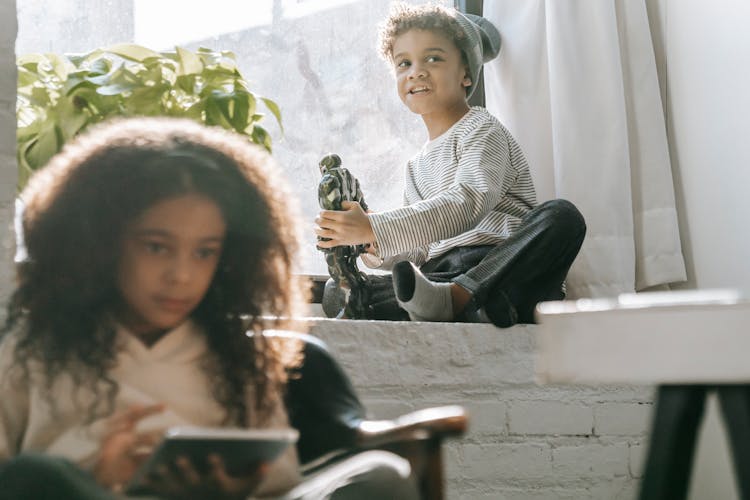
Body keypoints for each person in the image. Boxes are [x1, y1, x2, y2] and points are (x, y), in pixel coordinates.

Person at [0, 117, 418, 499]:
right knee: (35, 476)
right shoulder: (27, 356)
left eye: (204, 252)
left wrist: (231, 489)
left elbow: (283, 482)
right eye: (156, 247)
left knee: (382, 475)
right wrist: (102, 477)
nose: (181, 275)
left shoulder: (242, 359)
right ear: (101, 244)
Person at [315, 2, 586, 327]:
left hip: (498, 264)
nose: (416, 71)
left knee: (562, 217)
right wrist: (369, 241)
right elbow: (421, 250)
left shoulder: (482, 130)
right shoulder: (415, 166)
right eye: (404, 63)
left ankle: (464, 298)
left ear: (466, 75)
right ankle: (473, 306)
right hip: (439, 275)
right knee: (336, 292)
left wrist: (378, 226)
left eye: (433, 58)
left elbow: (466, 202)